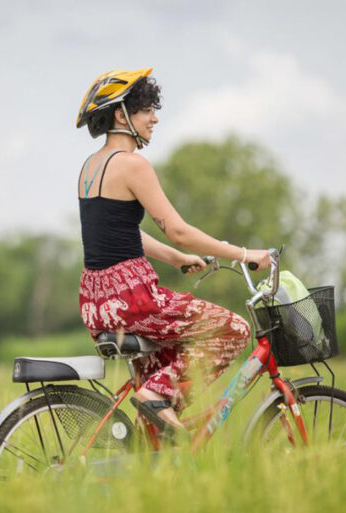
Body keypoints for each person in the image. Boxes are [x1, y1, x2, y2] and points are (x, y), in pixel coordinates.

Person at [75, 68, 271, 431]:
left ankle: (153, 448)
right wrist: (244, 254)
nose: (155, 117)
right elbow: (179, 230)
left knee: (165, 377)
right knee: (233, 329)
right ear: (122, 115)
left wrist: (178, 259)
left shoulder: (90, 166)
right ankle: (157, 394)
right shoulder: (133, 165)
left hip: (98, 303)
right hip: (134, 299)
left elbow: (122, 232)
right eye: (147, 109)